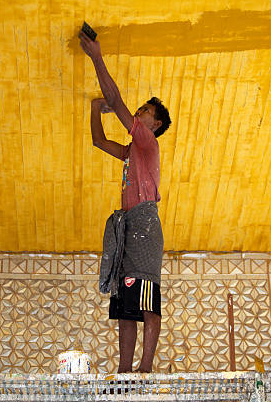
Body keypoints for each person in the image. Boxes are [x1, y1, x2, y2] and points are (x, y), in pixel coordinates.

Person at [79, 29, 171, 373]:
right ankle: (124, 371)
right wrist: (92, 108)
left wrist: (96, 56)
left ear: (155, 123)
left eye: (145, 111)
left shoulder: (148, 144)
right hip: (128, 226)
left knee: (146, 293)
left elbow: (116, 101)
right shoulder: (132, 152)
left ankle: (144, 368)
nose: (139, 111)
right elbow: (99, 141)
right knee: (125, 299)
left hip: (145, 224)